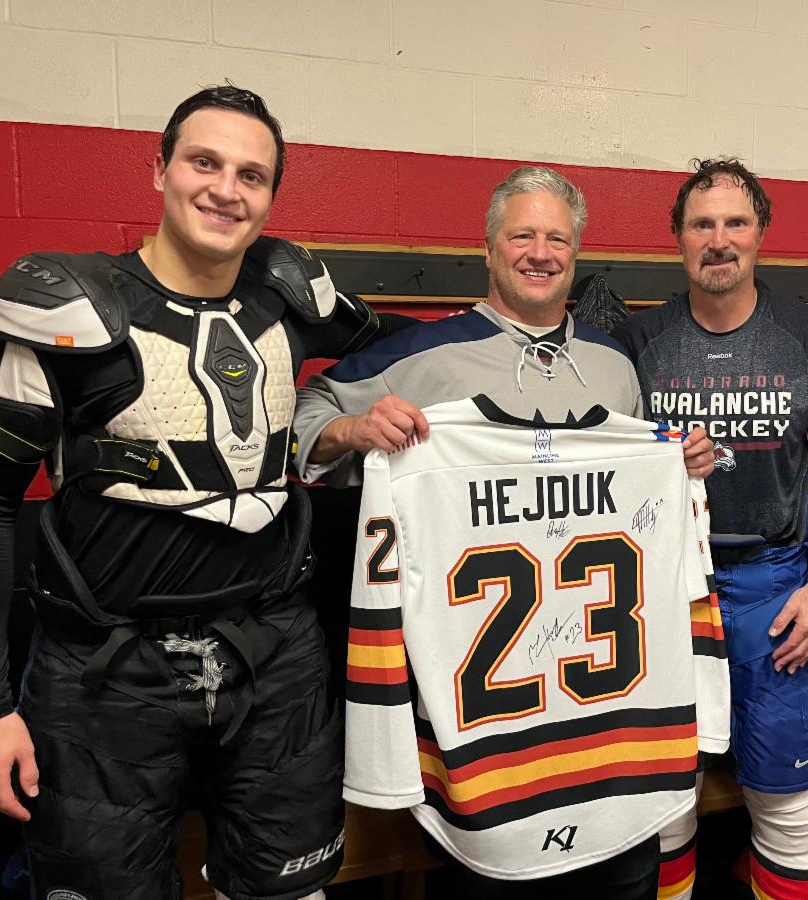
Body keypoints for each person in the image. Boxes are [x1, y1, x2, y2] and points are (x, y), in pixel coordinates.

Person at [0, 84, 404, 900]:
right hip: (104, 673)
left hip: (277, 657)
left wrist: (352, 423)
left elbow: (400, 345)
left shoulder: (291, 294)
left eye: (251, 174)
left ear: (271, 194)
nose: (226, 189)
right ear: (160, 169)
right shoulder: (63, 306)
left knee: (291, 890)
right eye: (205, 162)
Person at [292, 165, 715, 900]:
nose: (540, 253)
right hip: (485, 722)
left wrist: (681, 465)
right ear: (489, 250)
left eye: (558, 239)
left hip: (604, 709)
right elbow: (308, 409)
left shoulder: (615, 363)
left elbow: (641, 497)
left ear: (575, 255)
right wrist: (352, 430)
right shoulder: (419, 356)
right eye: (522, 236)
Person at [613, 158, 808, 900]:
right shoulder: (636, 341)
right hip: (664, 592)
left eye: (735, 222)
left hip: (776, 588)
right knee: (663, 796)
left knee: (791, 799)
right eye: (702, 224)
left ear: (760, 233)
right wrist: (664, 460)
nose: (719, 240)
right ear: (678, 237)